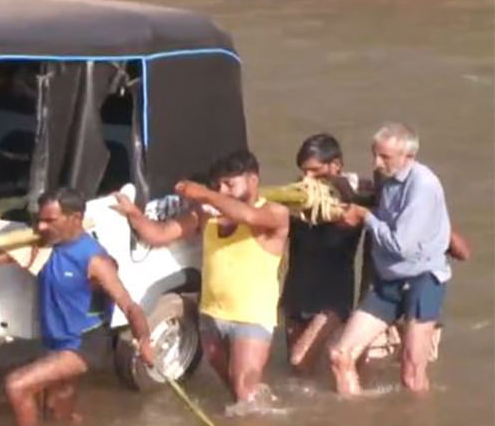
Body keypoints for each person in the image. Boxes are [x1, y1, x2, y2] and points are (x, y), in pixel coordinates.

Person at [0, 189, 155, 426]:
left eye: (50, 220)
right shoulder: (43, 247)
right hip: (56, 339)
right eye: (40, 219)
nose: (41, 226)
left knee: (16, 385)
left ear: (75, 218)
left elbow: (130, 306)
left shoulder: (95, 260)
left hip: (85, 342)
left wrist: (144, 340)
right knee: (57, 410)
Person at [113, 150, 289, 404]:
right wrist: (133, 213)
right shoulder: (207, 214)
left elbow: (248, 216)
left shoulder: (275, 213)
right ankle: (257, 410)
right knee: (234, 391)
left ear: (253, 180)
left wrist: (205, 193)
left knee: (244, 390)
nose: (223, 191)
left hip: (251, 316)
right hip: (211, 314)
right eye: (218, 185)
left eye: (230, 184)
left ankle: (259, 425)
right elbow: (160, 234)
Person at [329, 123, 454, 395]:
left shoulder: (422, 185)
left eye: (384, 157)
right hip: (389, 281)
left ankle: (419, 419)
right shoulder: (387, 177)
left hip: (422, 279)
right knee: (340, 355)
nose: (377, 163)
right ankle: (353, 418)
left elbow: (401, 245)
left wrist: (364, 216)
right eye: (374, 154)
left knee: (411, 373)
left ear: (409, 157)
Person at [281, 134, 363, 373]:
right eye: (303, 172)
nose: (307, 178)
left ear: (335, 165)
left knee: (299, 359)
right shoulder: (295, 196)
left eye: (314, 171)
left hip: (332, 298)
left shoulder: (356, 198)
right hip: (297, 293)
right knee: (298, 373)